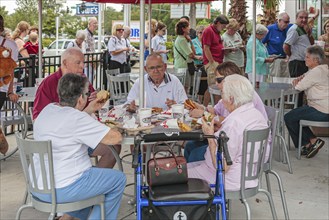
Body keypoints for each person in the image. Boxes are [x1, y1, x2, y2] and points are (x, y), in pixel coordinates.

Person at [33, 73, 126, 220]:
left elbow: (67, 123)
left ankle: (67, 218)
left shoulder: (48, 109)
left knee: (96, 181)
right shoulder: (76, 118)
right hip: (64, 188)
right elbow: (115, 138)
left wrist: (88, 109)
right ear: (81, 98)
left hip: (39, 187)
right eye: (86, 93)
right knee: (118, 179)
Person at [33, 47, 120, 169]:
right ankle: (88, 181)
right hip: (58, 144)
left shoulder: (82, 79)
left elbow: (80, 114)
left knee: (114, 148)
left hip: (82, 135)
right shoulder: (48, 83)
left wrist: (93, 99)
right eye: (78, 63)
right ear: (65, 63)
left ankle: (93, 182)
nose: (82, 66)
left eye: (83, 62)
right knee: (116, 171)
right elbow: (37, 117)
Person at [187, 74, 270, 190]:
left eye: (222, 94)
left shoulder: (234, 122)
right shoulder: (256, 115)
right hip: (249, 176)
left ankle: (203, 206)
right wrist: (219, 130)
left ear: (231, 98)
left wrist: (210, 136)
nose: (221, 99)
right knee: (187, 165)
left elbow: (222, 167)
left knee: (178, 176)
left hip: (228, 179)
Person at [185, 62, 267, 162]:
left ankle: (202, 174)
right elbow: (216, 111)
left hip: (244, 148)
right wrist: (201, 108)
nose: (216, 83)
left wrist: (204, 114)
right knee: (190, 146)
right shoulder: (227, 94)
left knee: (196, 154)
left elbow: (234, 121)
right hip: (228, 139)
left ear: (230, 79)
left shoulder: (246, 95)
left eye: (219, 80)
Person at [284, 46, 329, 158]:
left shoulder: (316, 72)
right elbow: (303, 77)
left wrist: (298, 81)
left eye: (307, 57)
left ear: (315, 60)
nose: (305, 59)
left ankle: (309, 143)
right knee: (296, 115)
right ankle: (311, 142)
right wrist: (300, 78)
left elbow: (298, 86)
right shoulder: (322, 69)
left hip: (321, 110)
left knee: (289, 117)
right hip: (322, 108)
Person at [284, 10, 313, 107]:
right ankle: (295, 111)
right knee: (297, 89)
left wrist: (309, 33)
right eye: (301, 17)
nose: (304, 20)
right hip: (297, 63)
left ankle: (298, 109)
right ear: (296, 18)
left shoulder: (303, 29)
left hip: (302, 62)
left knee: (300, 90)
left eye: (306, 17)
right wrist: (292, 55)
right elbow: (286, 46)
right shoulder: (294, 29)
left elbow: (310, 43)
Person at [0, 15, 19, 155]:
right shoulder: (10, 44)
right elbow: (12, 70)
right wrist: (10, 91)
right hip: (2, 87)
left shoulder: (10, 44)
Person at [202, 15, 229, 106]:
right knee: (214, 87)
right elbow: (206, 48)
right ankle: (207, 107)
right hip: (212, 62)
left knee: (215, 87)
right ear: (217, 23)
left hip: (217, 61)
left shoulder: (216, 32)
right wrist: (212, 63)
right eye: (223, 26)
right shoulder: (209, 31)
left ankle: (209, 107)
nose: (224, 28)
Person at [262, 12, 292, 82]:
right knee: (275, 81)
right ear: (279, 20)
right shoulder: (270, 29)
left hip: (285, 59)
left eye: (288, 22)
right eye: (285, 22)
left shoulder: (289, 28)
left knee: (285, 82)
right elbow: (260, 43)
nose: (287, 24)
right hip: (274, 59)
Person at [174, 20, 202, 93]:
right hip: (183, 66)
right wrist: (197, 57)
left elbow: (194, 52)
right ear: (183, 29)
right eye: (188, 26)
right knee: (184, 88)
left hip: (185, 66)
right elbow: (191, 54)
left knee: (186, 87)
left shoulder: (184, 39)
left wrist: (190, 41)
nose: (189, 28)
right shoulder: (182, 40)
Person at [192, 25, 208, 103]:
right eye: (200, 33)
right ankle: (199, 101)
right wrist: (198, 57)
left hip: (206, 65)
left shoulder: (207, 41)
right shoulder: (193, 42)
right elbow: (191, 54)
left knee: (206, 86)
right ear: (197, 33)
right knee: (199, 86)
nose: (202, 34)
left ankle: (204, 103)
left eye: (204, 33)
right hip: (198, 65)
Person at [84, 17, 97, 83]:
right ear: (89, 24)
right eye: (94, 23)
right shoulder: (86, 34)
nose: (96, 25)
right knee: (88, 81)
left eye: (96, 23)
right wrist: (91, 59)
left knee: (92, 79)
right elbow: (86, 48)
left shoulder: (91, 34)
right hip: (87, 62)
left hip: (91, 61)